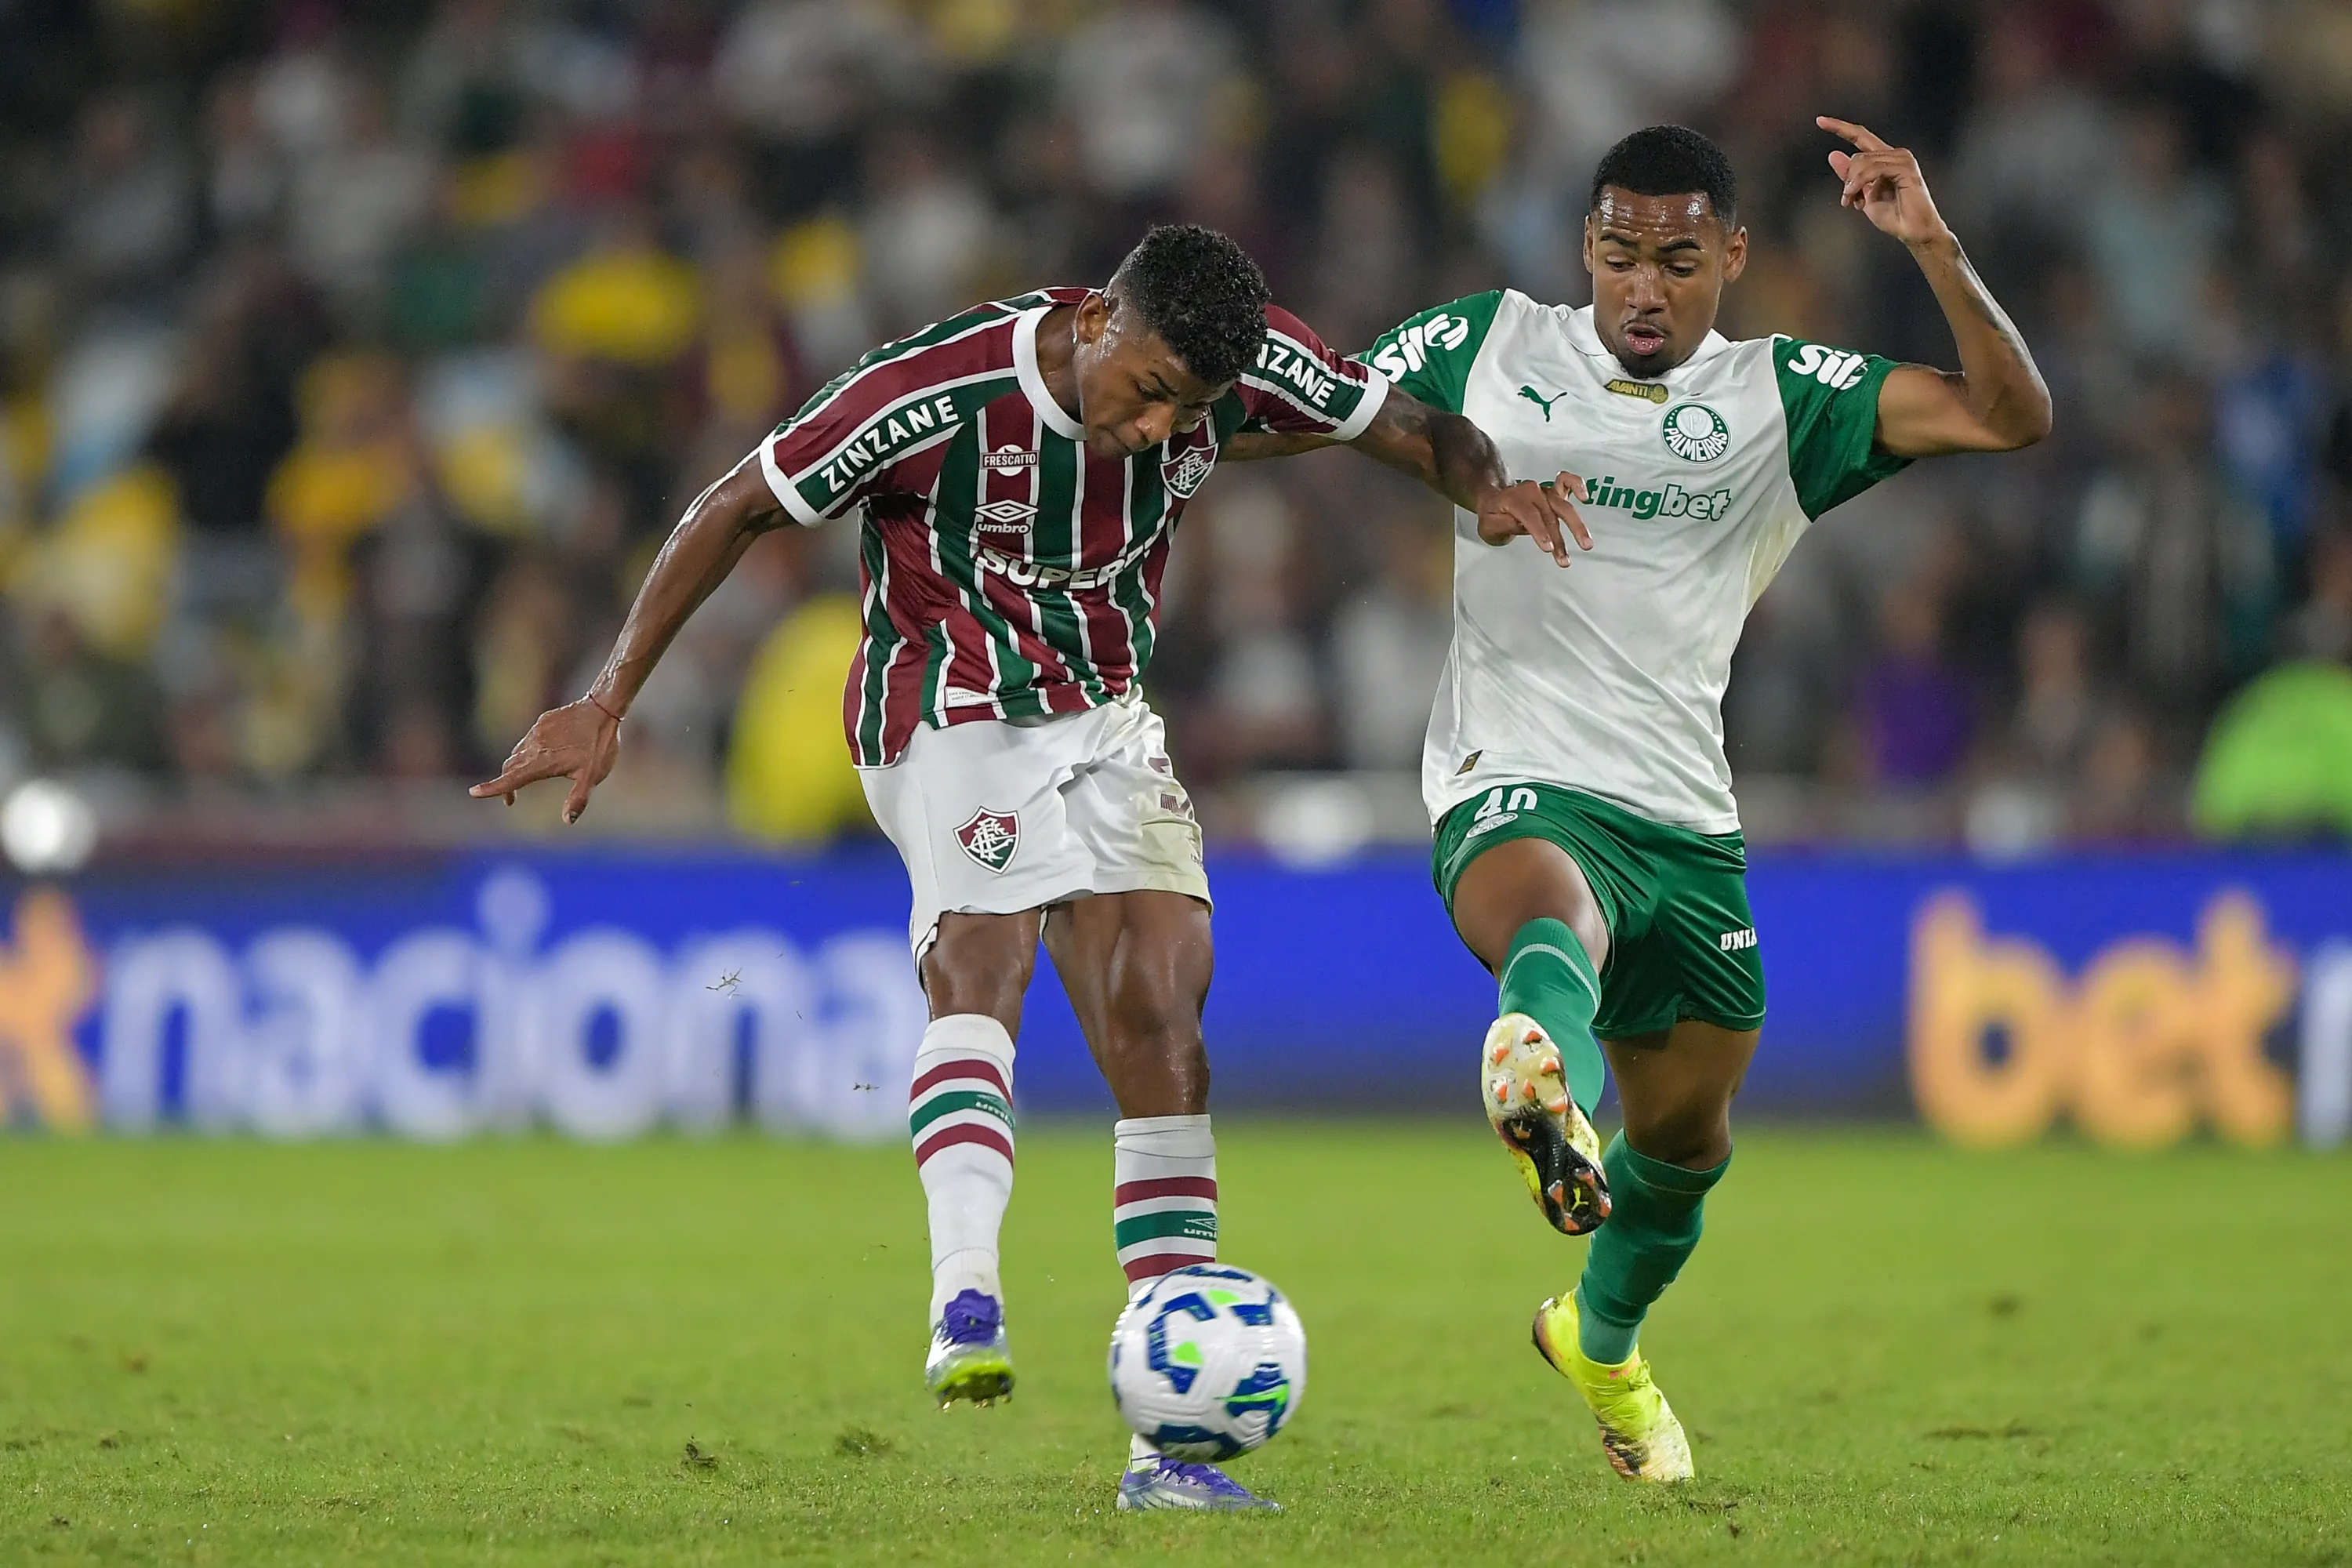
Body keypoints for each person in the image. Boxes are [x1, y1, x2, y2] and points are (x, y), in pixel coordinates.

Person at [471, 223, 1582, 1512]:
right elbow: (735, 507)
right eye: (1153, 389)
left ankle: (1168, 1451)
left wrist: (1485, 486)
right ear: (1103, 320)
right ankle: (965, 1299)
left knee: (1164, 1014)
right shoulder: (937, 390)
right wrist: (608, 697)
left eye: (1195, 411)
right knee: (985, 954)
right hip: (945, 704)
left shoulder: (1239, 368)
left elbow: (1410, 425)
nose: (1165, 426)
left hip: (1105, 710)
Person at [1235, 122, 2051, 1482]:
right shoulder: (1489, 345)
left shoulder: (1784, 395)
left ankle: (1597, 1338)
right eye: (1620, 257)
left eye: (1678, 260)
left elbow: (2012, 416)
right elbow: (1320, 409)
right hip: (1513, 773)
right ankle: (1537, 1070)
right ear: (1587, 254)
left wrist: (1931, 246)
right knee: (1556, 919)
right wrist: (1196, 417)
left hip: (1684, 813)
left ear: (1733, 257)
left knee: (1687, 1143)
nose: (1645, 290)